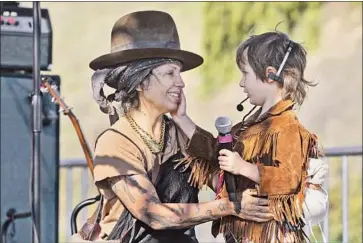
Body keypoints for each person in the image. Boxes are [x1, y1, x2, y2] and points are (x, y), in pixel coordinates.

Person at [70, 11, 274, 243]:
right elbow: (154, 215)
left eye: (179, 73)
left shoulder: (177, 132)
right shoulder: (116, 141)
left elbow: (222, 179)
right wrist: (230, 206)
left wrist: (184, 120)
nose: (181, 82)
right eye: (170, 73)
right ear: (140, 82)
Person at [171, 31, 329, 242]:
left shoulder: (288, 127)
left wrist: (244, 168)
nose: (241, 83)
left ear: (270, 75)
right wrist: (181, 118)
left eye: (245, 74)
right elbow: (214, 153)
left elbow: (289, 179)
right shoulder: (248, 126)